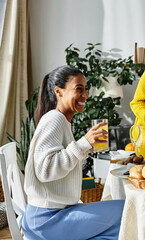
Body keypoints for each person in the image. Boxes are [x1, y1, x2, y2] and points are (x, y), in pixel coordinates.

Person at [22, 66, 124, 240]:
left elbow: (62, 165)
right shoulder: (55, 119)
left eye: (85, 89)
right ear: (58, 92)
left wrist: (85, 148)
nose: (85, 95)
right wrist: (83, 144)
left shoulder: (61, 120)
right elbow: (44, 170)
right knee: (129, 210)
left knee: (120, 224)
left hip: (56, 214)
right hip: (46, 221)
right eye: (79, 89)